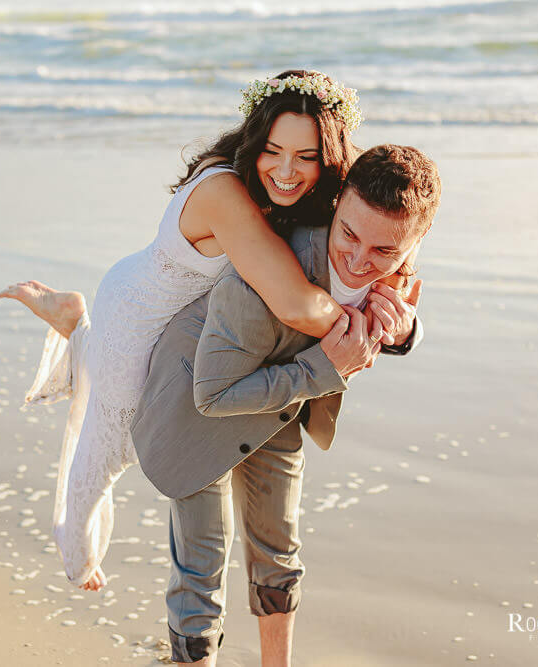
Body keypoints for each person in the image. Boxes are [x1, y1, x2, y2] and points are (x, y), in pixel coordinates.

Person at [0, 70, 378, 591]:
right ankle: (79, 559)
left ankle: (73, 321)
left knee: (110, 408)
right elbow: (294, 303)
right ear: (255, 139)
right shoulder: (224, 190)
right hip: (138, 319)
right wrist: (368, 324)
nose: (286, 170)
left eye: (306, 157)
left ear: (328, 155)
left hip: (169, 318)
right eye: (273, 150)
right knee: (107, 458)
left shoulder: (282, 186)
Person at [131, 144, 441, 666]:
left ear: (415, 243)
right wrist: (325, 368)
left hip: (279, 410)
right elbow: (212, 395)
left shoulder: (392, 260)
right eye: (348, 235)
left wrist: (406, 329)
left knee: (279, 555)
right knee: (202, 567)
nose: (360, 260)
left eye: (384, 252)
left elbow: (395, 312)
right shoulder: (265, 271)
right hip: (196, 407)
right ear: (338, 203)